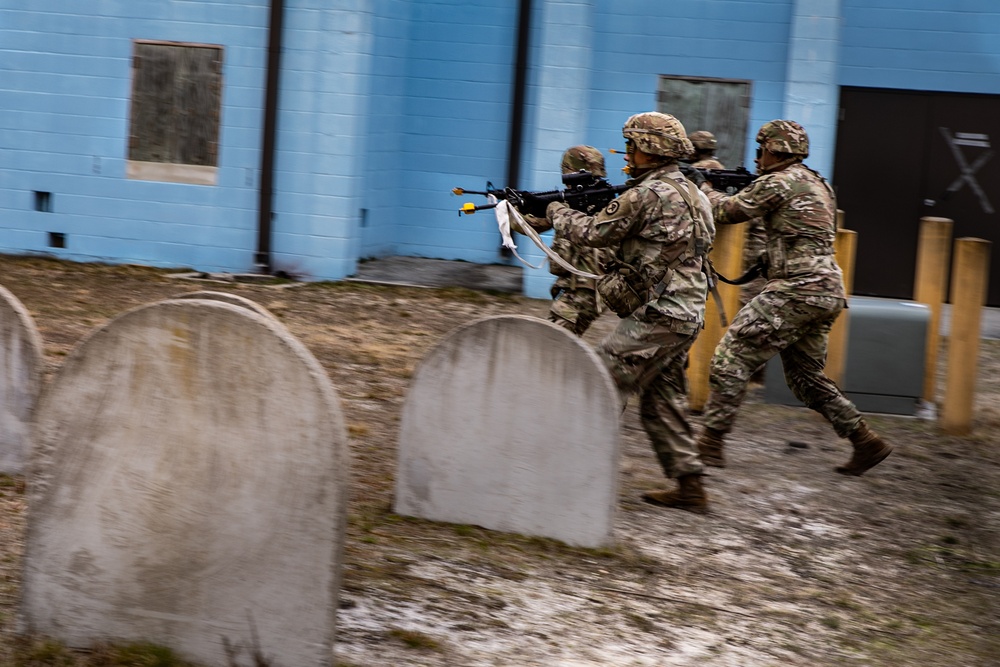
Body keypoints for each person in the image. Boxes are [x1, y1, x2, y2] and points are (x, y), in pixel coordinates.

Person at [695, 119, 893, 476]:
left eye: (761, 151)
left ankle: (710, 443)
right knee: (806, 379)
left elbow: (726, 211)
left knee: (730, 356)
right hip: (828, 290)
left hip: (797, 289)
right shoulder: (820, 183)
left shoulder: (777, 181)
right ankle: (866, 442)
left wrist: (704, 187)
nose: (757, 158)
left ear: (775, 150)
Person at [542, 112, 716, 513]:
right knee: (661, 397)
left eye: (633, 146)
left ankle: (571, 483)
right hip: (688, 313)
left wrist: (554, 211)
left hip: (661, 314)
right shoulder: (693, 191)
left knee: (598, 380)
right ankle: (691, 487)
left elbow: (591, 233)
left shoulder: (647, 194)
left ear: (650, 149)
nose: (628, 154)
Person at [517, 146, 614, 336]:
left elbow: (538, 224)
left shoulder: (600, 205)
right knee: (560, 346)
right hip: (581, 290)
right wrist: (514, 210)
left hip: (583, 292)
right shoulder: (595, 202)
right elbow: (536, 223)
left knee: (552, 345)